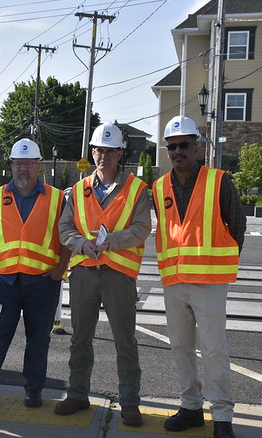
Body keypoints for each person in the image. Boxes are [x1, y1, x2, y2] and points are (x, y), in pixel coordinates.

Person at [153, 116, 246, 438]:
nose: (178, 151)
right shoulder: (159, 186)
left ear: (197, 147)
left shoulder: (219, 181)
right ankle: (190, 407)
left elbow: (237, 226)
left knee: (214, 349)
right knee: (180, 346)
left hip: (208, 282)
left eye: (184, 145)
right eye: (172, 146)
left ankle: (222, 417)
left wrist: (218, 265)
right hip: (174, 281)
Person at [55, 123, 151, 427]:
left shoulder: (137, 189)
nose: (103, 156)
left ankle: (130, 402)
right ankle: (77, 393)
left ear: (120, 153)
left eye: (110, 151)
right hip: (84, 270)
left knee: (125, 340)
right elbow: (64, 229)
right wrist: (82, 244)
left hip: (119, 272)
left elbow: (142, 228)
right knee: (80, 338)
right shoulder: (78, 190)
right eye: (99, 150)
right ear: (92, 152)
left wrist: (114, 242)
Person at [0, 139, 72, 411]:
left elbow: (68, 236)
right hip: (5, 282)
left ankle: (34, 390)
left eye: (28, 164)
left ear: (38, 166)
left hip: (43, 282)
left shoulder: (57, 198)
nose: (22, 169)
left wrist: (60, 271)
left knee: (38, 339)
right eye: (17, 163)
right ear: (11, 166)